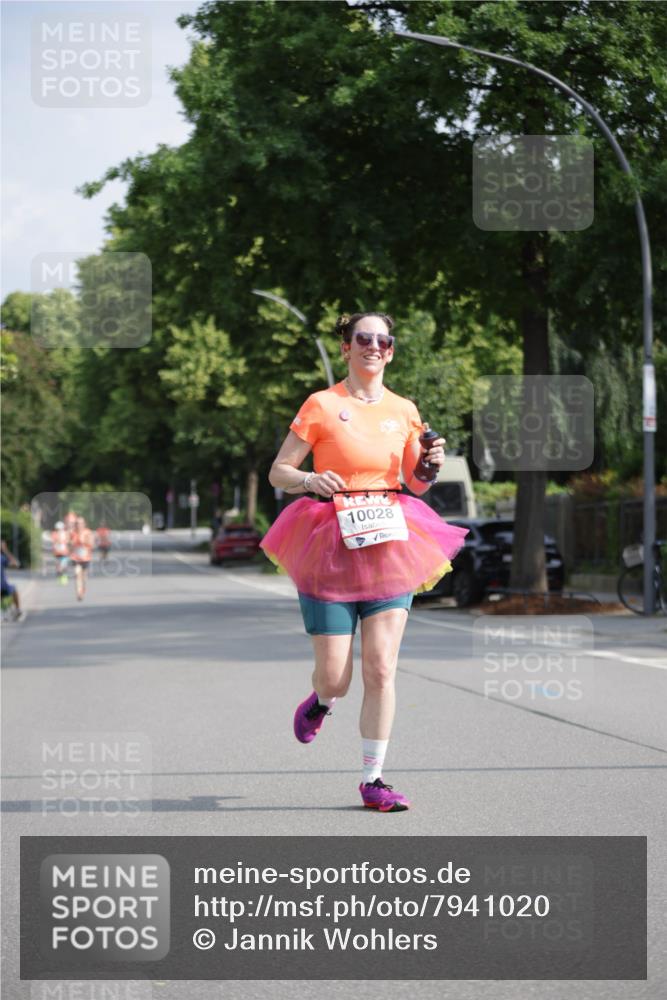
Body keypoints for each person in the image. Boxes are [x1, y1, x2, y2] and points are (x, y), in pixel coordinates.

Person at [261, 312, 468, 812]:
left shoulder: (404, 409)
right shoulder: (322, 404)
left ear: (391, 350)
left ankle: (374, 779)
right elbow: (278, 472)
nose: (374, 346)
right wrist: (309, 480)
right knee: (336, 676)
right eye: (364, 338)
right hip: (329, 541)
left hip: (389, 539)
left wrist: (429, 468)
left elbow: (415, 481)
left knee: (381, 668)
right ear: (347, 346)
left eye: (383, 340)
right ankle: (322, 701)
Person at [70, 516, 95, 602]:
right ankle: (78, 593)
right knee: (77, 574)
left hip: (85, 558)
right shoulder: (73, 533)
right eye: (77, 523)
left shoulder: (88, 532)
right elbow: (69, 544)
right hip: (75, 558)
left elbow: (92, 544)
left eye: (80, 523)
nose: (78, 525)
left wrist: (84, 541)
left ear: (84, 524)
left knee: (84, 578)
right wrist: (71, 544)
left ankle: (82, 590)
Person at [1, 539, 24, 621]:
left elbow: (16, 564)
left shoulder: (2, 558)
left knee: (14, 589)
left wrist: (5, 551)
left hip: (3, 585)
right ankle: (4, 612)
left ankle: (17, 610)